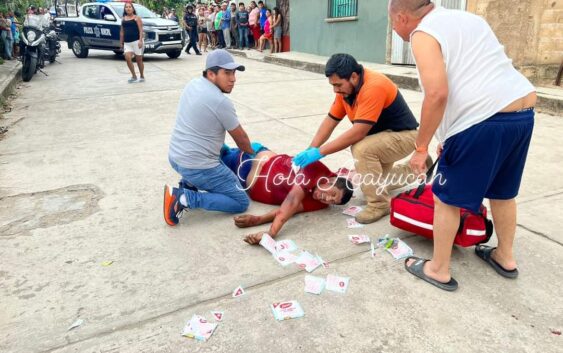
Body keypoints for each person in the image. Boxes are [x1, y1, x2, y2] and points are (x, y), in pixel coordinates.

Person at [388, 0, 537, 292]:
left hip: (483, 121)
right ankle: (505, 256)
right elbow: (473, 76)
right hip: (521, 114)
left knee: (447, 198)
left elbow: (437, 93)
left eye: (393, 23)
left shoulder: (423, 33)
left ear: (403, 16)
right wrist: (449, 135)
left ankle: (438, 269)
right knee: (503, 192)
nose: (395, 30)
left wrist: (421, 147)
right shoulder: (468, 20)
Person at [293, 53, 423, 224]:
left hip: (404, 136)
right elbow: (331, 120)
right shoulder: (346, 91)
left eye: (338, 85)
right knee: (369, 183)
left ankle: (379, 205)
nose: (335, 90)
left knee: (361, 149)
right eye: (332, 85)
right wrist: (311, 148)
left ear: (353, 77)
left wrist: (320, 152)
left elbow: (358, 132)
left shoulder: (374, 86)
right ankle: (415, 169)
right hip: (382, 138)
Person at [164, 50, 255, 226]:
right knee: (240, 201)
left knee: (221, 152)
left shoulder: (193, 84)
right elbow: (242, 140)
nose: (233, 79)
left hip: (176, 157)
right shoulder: (220, 101)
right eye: (227, 73)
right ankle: (184, 198)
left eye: (234, 73)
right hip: (196, 166)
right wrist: (255, 154)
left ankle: (188, 184)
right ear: (211, 74)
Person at [219, 143, 354, 244]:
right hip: (247, 160)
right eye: (332, 194)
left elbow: (290, 210)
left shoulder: (321, 203)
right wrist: (271, 233)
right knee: (210, 155)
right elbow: (291, 201)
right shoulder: (314, 169)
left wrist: (257, 220)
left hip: (241, 179)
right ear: (330, 181)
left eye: (332, 201)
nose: (327, 199)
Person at [120, 2, 144, 83]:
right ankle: (134, 76)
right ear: (124, 9)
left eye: (130, 7)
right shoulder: (123, 19)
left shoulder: (137, 18)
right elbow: (122, 31)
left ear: (133, 9)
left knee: (139, 60)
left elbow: (141, 30)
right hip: (127, 43)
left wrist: (140, 40)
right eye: (126, 7)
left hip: (136, 42)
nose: (128, 8)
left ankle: (142, 75)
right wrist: (121, 42)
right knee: (127, 58)